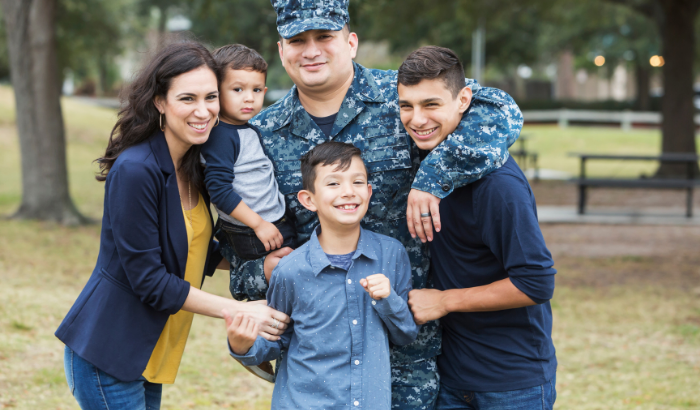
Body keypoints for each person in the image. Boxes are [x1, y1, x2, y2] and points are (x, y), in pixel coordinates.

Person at [232, 1, 523, 408]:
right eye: (298, 40)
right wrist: (264, 271)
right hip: (322, 360)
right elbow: (238, 254)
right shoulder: (257, 135)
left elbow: (499, 111)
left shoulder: (402, 97)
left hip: (410, 350)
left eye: (324, 37)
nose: (311, 50)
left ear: (350, 42)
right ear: (282, 51)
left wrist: (431, 181)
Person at [54, 42, 290, 410]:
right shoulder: (136, 170)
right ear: (159, 102)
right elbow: (149, 279)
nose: (203, 111)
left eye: (211, 97)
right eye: (187, 98)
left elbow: (195, 250)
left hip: (152, 351)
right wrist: (237, 309)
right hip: (110, 352)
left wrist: (263, 265)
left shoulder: (193, 166)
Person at [400, 47, 557, 410]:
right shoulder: (426, 162)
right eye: (406, 106)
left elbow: (536, 282)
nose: (417, 119)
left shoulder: (499, 187)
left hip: (511, 380)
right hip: (451, 376)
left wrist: (443, 301)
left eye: (431, 104)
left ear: (463, 100)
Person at [225, 141, 419, 409]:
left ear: (369, 191)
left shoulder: (391, 254)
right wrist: (242, 345)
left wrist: (388, 299)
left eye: (358, 182)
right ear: (309, 199)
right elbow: (277, 339)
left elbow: (405, 333)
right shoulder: (290, 270)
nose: (348, 192)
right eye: (333, 184)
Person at [201, 44, 297, 264]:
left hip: (271, 222)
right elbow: (219, 190)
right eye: (237, 89)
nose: (249, 98)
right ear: (215, 90)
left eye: (256, 90)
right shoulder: (221, 137)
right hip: (253, 231)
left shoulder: (245, 128)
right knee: (288, 280)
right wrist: (258, 224)